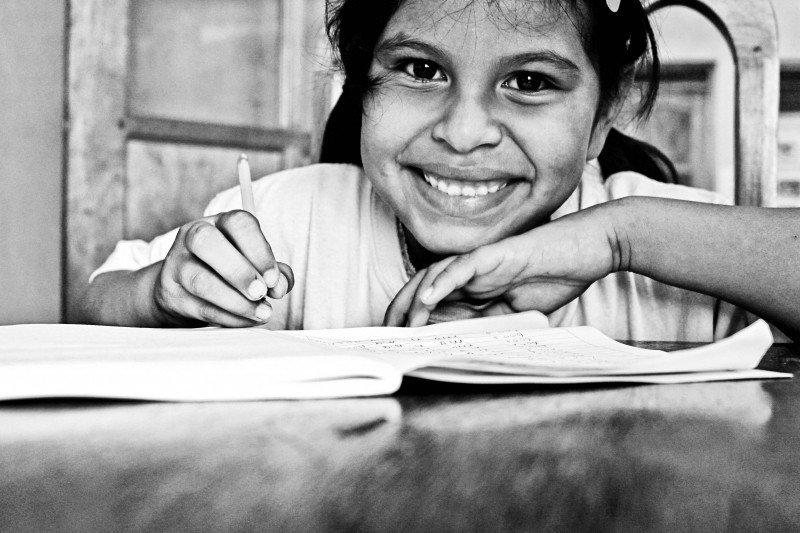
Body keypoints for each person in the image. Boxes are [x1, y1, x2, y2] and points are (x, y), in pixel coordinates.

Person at [79, 0, 800, 342]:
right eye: (421, 70)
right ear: (360, 87)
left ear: (603, 116)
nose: (462, 132)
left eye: (530, 82)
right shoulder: (292, 219)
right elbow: (98, 298)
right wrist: (163, 291)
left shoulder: (660, 248)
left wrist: (621, 240)